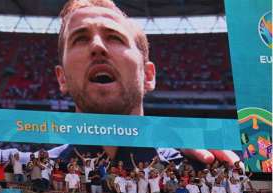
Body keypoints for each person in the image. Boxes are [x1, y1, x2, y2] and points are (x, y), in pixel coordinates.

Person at [55, 0, 241, 166]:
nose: (97, 46)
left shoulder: (201, 172)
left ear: (148, 75)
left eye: (114, 37)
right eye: (80, 39)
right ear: (61, 78)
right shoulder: (31, 173)